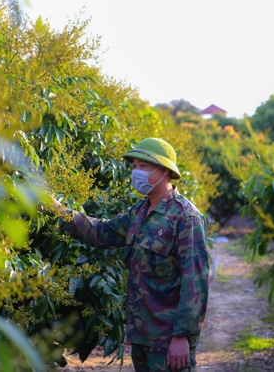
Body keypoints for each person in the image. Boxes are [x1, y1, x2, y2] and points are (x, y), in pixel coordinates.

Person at [45, 137, 209, 372]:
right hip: (142, 335)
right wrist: (56, 210)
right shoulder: (139, 212)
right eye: (134, 166)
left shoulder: (185, 217)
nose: (136, 172)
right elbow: (99, 232)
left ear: (164, 171)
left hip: (168, 337)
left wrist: (182, 337)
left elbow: (195, 283)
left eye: (143, 166)